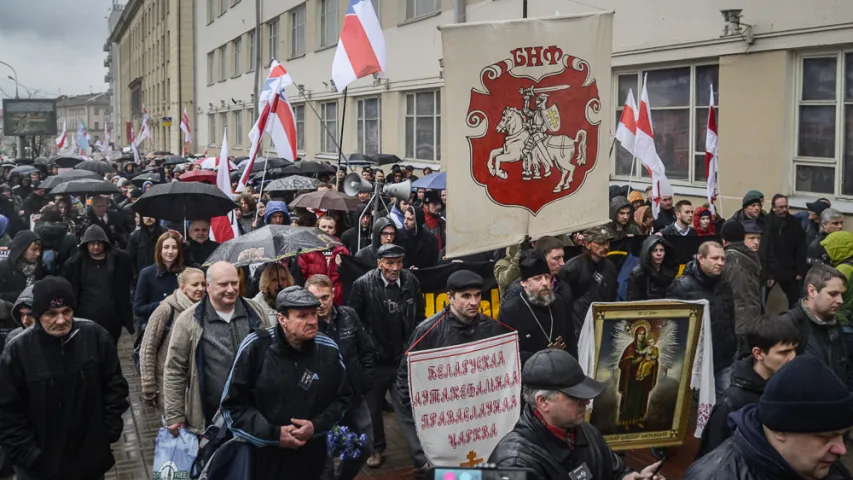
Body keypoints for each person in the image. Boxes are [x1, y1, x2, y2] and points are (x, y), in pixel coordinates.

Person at [0, 276, 130, 480]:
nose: (60, 321)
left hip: (87, 460)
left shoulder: (94, 336)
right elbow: (7, 411)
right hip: (40, 465)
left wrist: (107, 432)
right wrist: (28, 454)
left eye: (66, 312)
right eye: (51, 314)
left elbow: (115, 387)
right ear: (38, 314)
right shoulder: (18, 351)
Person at [220, 286, 351, 480]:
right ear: (282, 319)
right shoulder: (256, 347)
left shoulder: (329, 350)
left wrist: (315, 426)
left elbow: (343, 399)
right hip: (266, 461)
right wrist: (274, 435)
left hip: (315, 460)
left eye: (314, 314)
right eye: (302, 316)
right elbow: (233, 406)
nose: (312, 321)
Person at [393, 270, 512, 473]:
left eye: (477, 295)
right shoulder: (428, 332)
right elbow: (406, 381)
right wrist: (423, 427)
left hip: (479, 420)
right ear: (450, 298)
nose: (474, 302)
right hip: (444, 425)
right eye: (466, 296)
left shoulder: (491, 327)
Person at [490, 349, 663, 480]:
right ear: (543, 402)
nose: (586, 402)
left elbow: (615, 472)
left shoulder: (586, 431)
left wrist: (629, 477)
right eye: (575, 397)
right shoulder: (514, 464)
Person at [684, 355, 853, 480]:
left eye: (843, 435)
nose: (841, 450)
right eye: (825, 438)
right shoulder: (714, 476)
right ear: (780, 429)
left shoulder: (825, 468)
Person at [163, 262, 272, 434]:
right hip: (212, 419)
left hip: (254, 412)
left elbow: (272, 355)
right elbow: (175, 370)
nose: (231, 289)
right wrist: (175, 415)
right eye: (223, 284)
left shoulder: (255, 311)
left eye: (234, 283)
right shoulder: (189, 320)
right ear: (208, 286)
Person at [348, 244, 424, 468]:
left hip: (403, 357)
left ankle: (419, 456)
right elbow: (354, 319)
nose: (395, 268)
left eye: (399, 262)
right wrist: (369, 347)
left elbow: (419, 313)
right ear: (379, 263)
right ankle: (376, 448)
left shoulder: (411, 281)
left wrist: (413, 345)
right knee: (373, 411)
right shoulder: (362, 285)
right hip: (375, 361)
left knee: (407, 407)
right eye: (390, 263)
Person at [696, 315, 799, 458]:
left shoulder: (791, 389)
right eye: (784, 352)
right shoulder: (730, 404)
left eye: (794, 350)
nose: (792, 357)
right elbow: (712, 461)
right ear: (758, 353)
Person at [306, 276, 376, 480]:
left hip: (354, 397)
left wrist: (365, 382)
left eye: (325, 297)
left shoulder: (349, 315)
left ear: (333, 294)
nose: (320, 303)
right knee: (325, 460)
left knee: (364, 446)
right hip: (323, 404)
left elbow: (367, 350)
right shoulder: (307, 324)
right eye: (314, 298)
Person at [668, 241, 736, 394]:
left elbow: (730, 318)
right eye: (715, 258)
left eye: (723, 259)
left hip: (723, 360)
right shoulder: (682, 286)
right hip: (695, 363)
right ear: (701, 258)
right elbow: (672, 327)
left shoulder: (725, 285)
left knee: (725, 402)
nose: (720, 263)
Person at [140, 268, 206, 412]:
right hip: (169, 386)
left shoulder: (207, 309)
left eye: (203, 284)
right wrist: (149, 384)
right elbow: (147, 349)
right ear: (182, 287)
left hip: (198, 386)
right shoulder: (166, 310)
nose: (200, 289)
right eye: (195, 285)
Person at [778, 263, 851, 387]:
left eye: (841, 295)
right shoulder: (788, 325)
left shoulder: (834, 324)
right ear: (812, 291)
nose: (840, 301)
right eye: (833, 294)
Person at [61, 225, 134, 345]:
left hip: (112, 317)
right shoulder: (75, 264)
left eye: (99, 243)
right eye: (92, 243)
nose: (96, 247)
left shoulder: (118, 260)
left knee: (110, 348)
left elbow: (127, 282)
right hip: (86, 317)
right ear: (86, 244)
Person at [499, 251, 576, 362]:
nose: (544, 283)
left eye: (547, 277)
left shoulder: (559, 303)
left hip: (563, 371)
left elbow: (571, 342)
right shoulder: (510, 312)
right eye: (538, 278)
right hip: (530, 376)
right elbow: (510, 355)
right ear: (524, 283)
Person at [560, 226, 618, 337]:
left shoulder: (610, 267)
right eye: (601, 243)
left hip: (603, 322)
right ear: (587, 244)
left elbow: (612, 295)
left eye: (607, 243)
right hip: (579, 325)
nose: (606, 247)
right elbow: (565, 301)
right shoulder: (572, 268)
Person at [719, 220, 764, 342]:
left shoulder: (730, 260)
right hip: (752, 318)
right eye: (752, 238)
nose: (756, 242)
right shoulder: (751, 256)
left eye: (758, 238)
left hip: (738, 323)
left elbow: (736, 294)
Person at [133, 232, 184, 331]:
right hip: (157, 328)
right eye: (166, 247)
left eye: (174, 247)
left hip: (180, 327)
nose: (170, 251)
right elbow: (138, 309)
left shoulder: (185, 272)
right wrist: (162, 304)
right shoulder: (147, 273)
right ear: (159, 249)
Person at [764, 194, 806, 309]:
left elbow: (801, 248)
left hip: (789, 269)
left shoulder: (795, 223)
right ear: (773, 208)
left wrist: (800, 270)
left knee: (796, 302)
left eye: (786, 207)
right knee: (760, 301)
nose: (784, 210)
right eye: (780, 207)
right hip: (770, 269)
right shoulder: (765, 222)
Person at [627, 236, 676, 301]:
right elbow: (632, 301)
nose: (659, 254)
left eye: (661, 250)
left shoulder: (669, 271)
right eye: (655, 250)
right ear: (648, 253)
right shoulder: (637, 274)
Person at [0, 231, 43, 303]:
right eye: (34, 249)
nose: (38, 253)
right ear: (22, 249)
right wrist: (21, 295)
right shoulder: (3, 268)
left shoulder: (39, 268)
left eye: (39, 249)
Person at [32, 206, 76, 276]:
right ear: (59, 217)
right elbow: (73, 264)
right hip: (63, 280)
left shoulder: (32, 236)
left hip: (39, 280)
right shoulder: (69, 238)